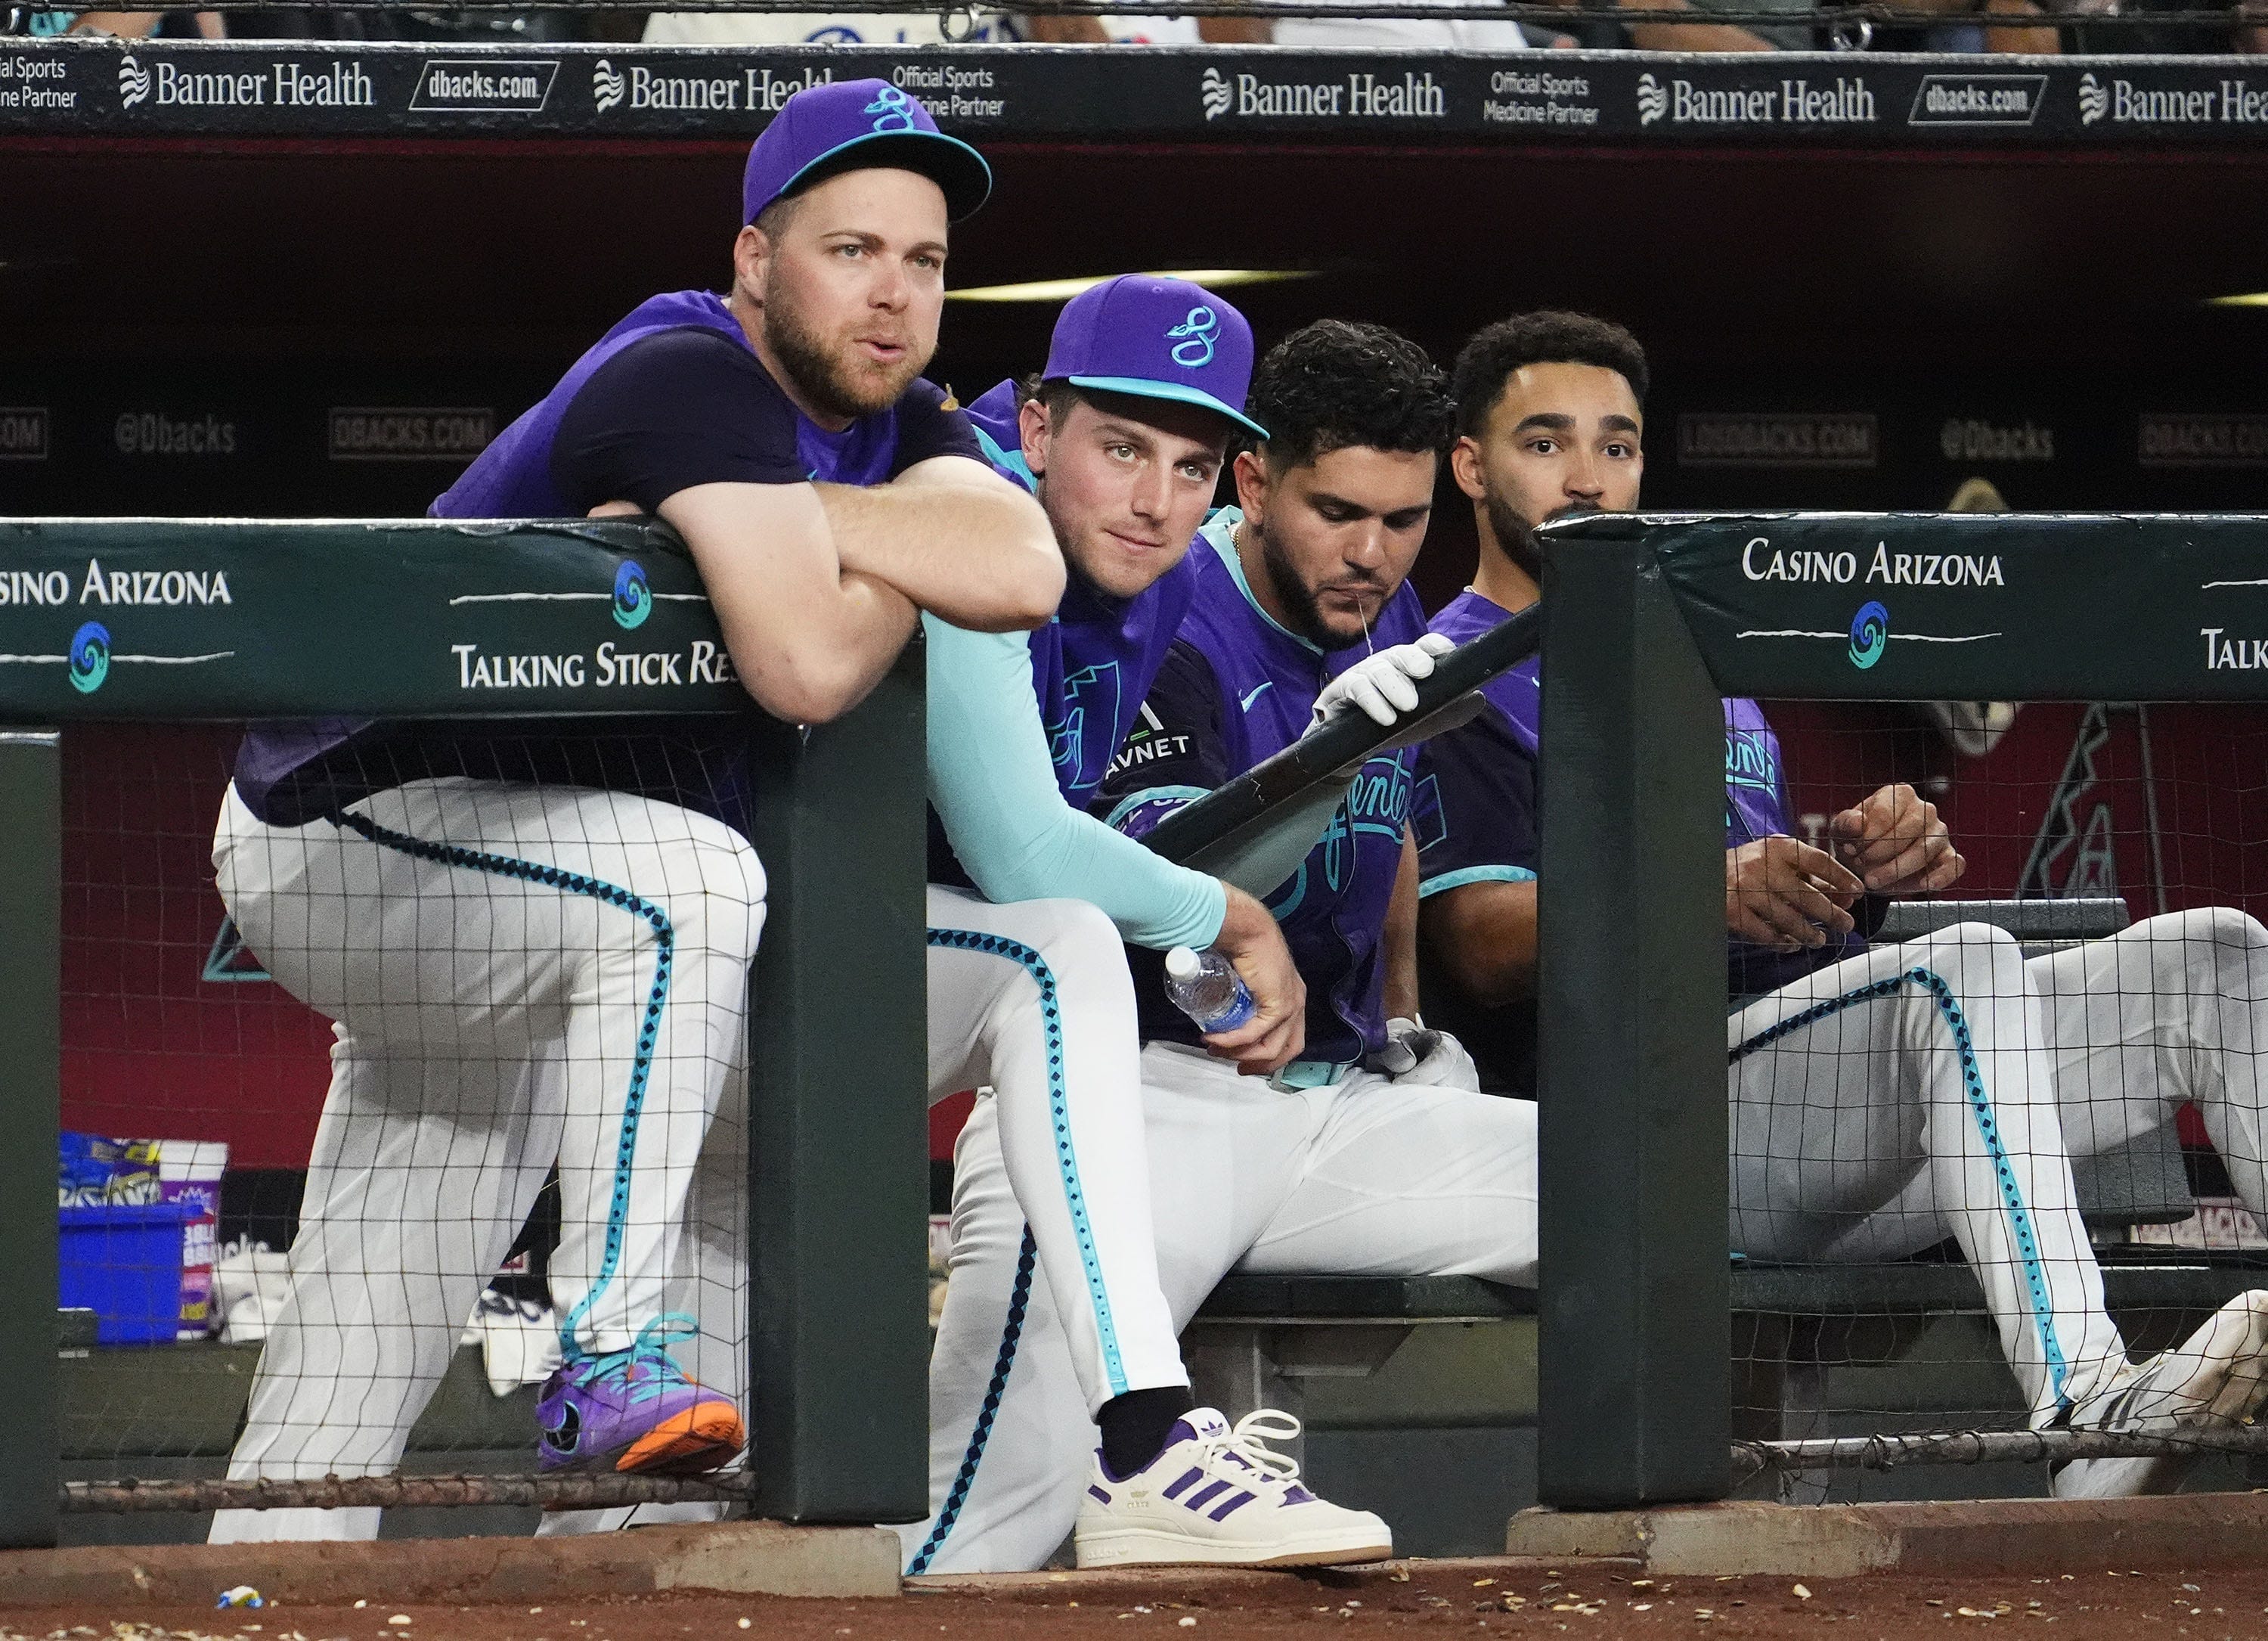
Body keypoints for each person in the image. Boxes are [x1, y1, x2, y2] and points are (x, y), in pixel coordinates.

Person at [208, 78, 1063, 1543]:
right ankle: (605, 1340)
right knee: (697, 883)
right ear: (753, 261)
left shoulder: (898, 421)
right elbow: (803, 664)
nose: (894, 294)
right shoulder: (681, 373)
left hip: (523, 890)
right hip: (348, 823)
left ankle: (253, 1586)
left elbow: (1026, 565)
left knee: (346, 1380)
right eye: (850, 249)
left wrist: (803, 518)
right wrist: (893, 565)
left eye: (924, 262)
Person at [1416, 309, 2268, 1499]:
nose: (1589, 476)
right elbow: (1475, 943)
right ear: (1469, 465)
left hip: (1807, 1112)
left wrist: (1863, 877)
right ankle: (2088, 1408)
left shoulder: (1704, 666)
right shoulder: (1452, 671)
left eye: (1617, 445)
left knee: (2217, 955)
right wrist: (1704, 889)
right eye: (1546, 442)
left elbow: (1763, 923)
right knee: (1960, 965)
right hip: (1625, 1136)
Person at [902, 320, 1540, 1576]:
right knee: (978, 1520)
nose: (1370, 551)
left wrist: (1408, 1015)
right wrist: (1314, 770)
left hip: (1336, 1113)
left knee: (1630, 1194)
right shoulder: (1173, 615)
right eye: (1338, 511)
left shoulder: (1379, 602)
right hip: (1142, 1103)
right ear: (1258, 484)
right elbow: (1150, 892)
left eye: (1404, 520)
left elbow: (1395, 835)